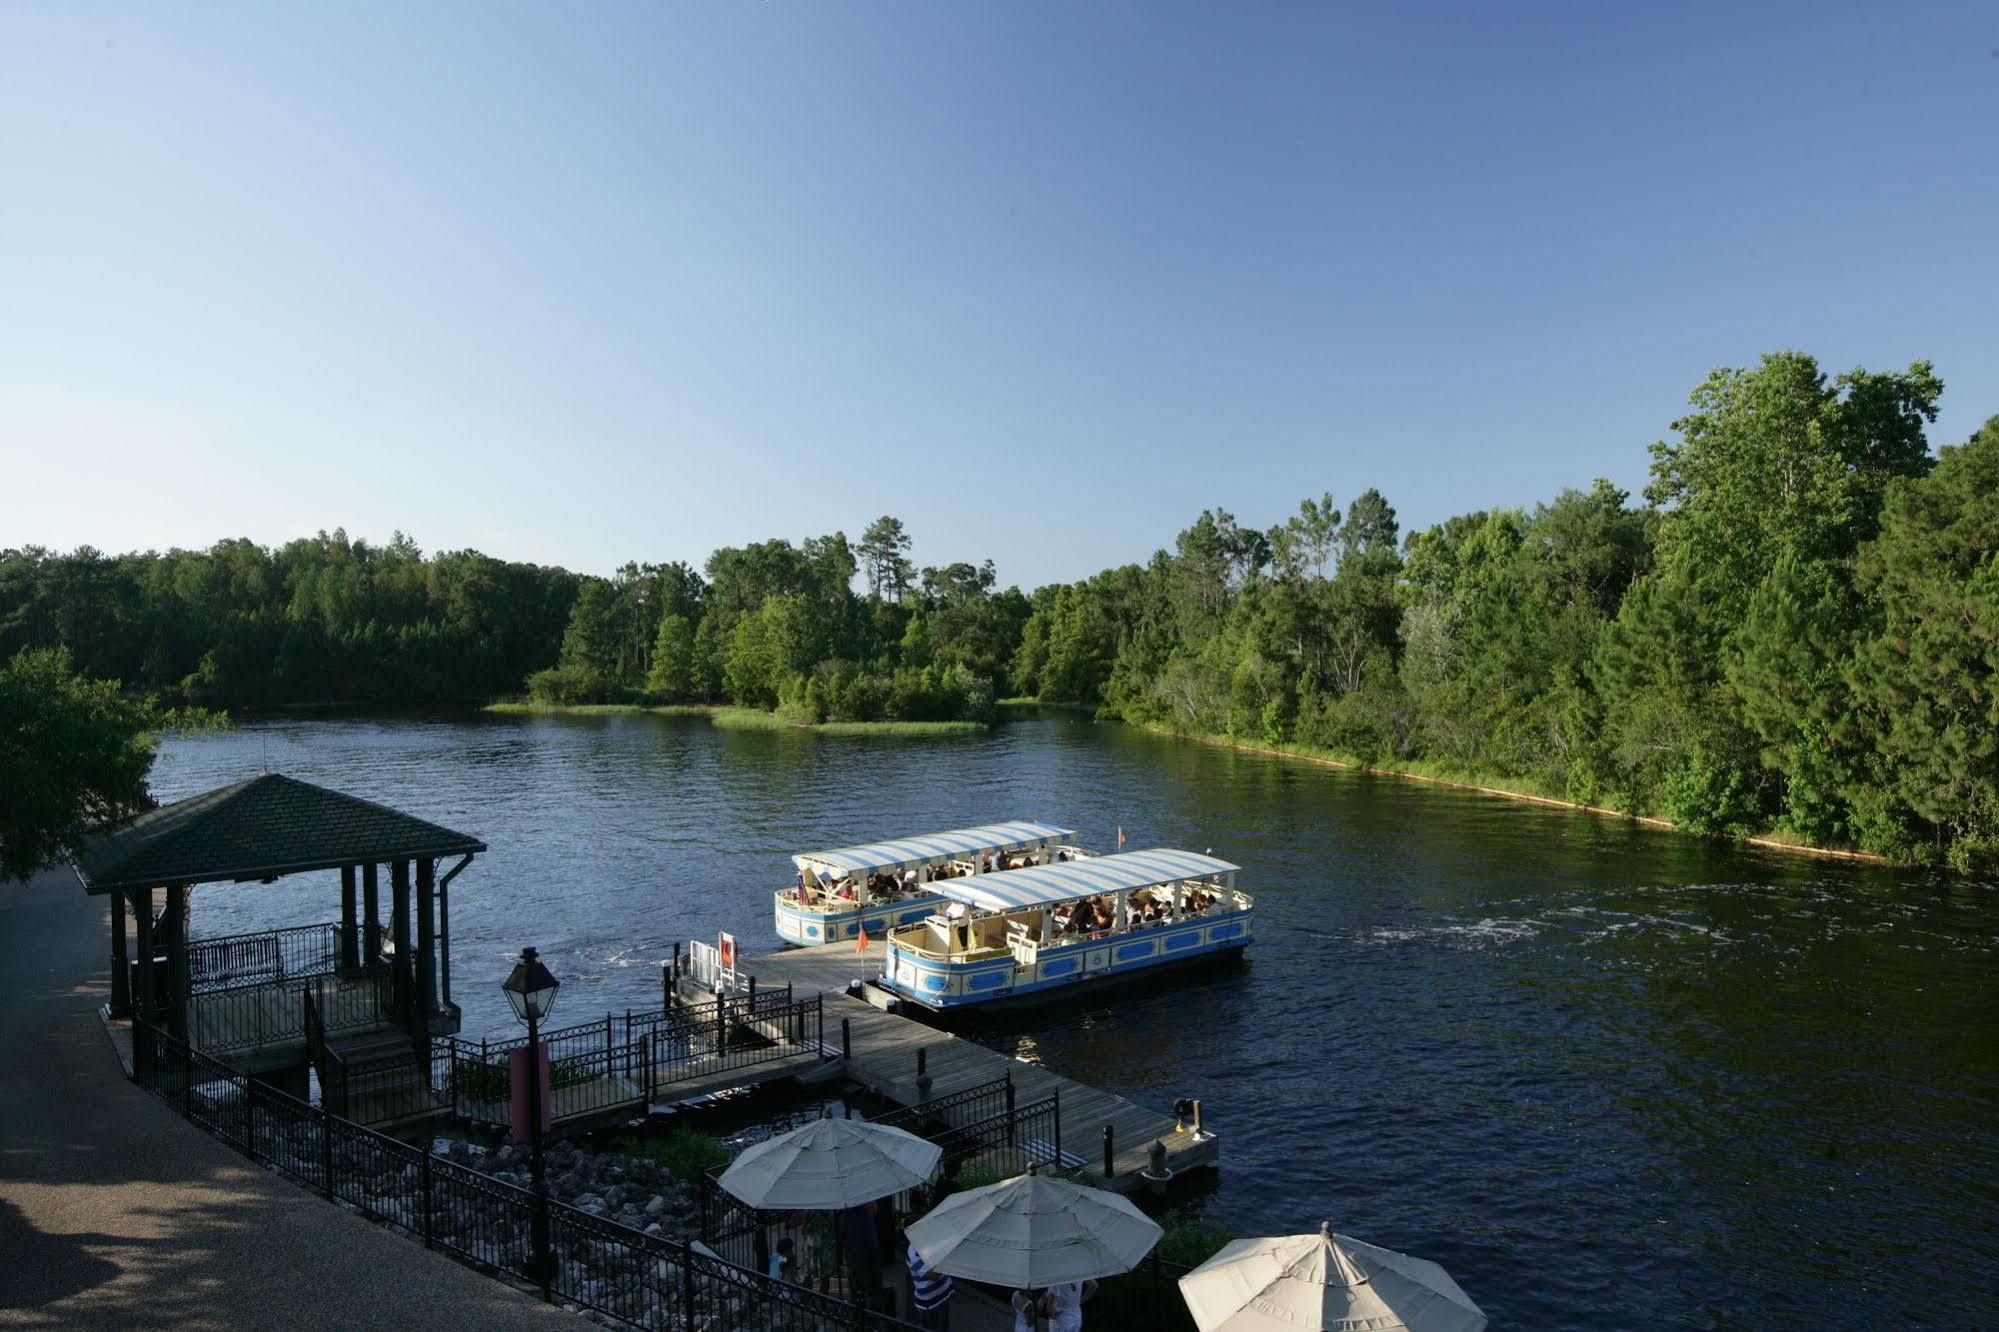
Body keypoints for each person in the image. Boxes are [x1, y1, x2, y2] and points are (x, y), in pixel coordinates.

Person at [838, 1202, 885, 1313]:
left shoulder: (847, 1211)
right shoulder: (862, 1209)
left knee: (861, 1287)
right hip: (864, 1252)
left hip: (859, 1252)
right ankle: (870, 1313)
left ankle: (863, 1312)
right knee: (870, 1288)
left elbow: (842, 1235)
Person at [1011, 1280, 1096, 1332]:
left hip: (1060, 1319)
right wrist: (1079, 1302)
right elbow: (1094, 1285)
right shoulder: (1079, 1273)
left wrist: (1053, 1315)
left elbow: (1049, 1310)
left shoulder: (1056, 1282)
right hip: (1076, 1315)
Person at [907, 1240, 953, 1330]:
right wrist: (950, 1254)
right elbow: (933, 1275)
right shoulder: (914, 1252)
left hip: (943, 1295)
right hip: (930, 1303)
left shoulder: (932, 1240)